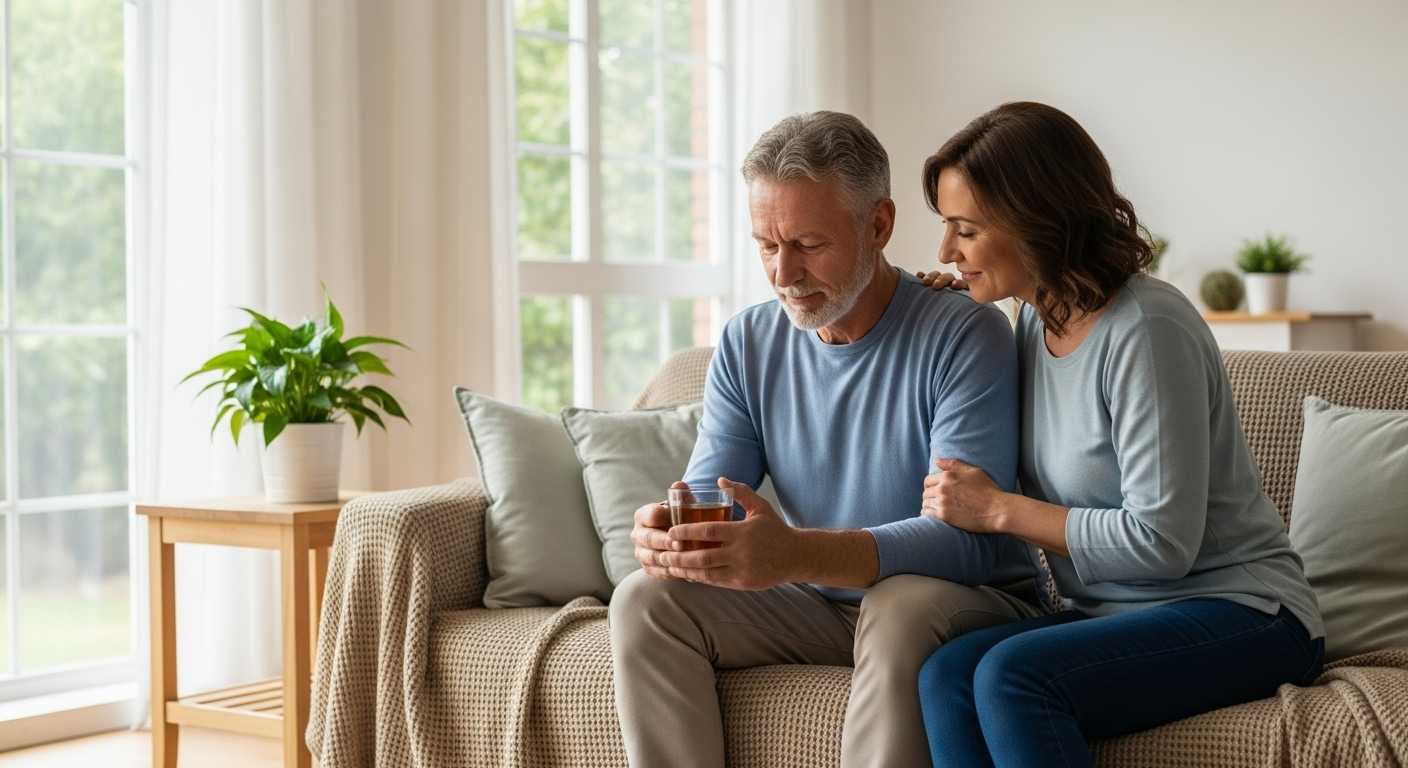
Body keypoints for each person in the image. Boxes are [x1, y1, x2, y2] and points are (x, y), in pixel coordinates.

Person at [609, 111, 1049, 768]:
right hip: (821, 605)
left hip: (956, 602)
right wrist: (674, 532)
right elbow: (710, 492)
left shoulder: (965, 334)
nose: (783, 273)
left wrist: (791, 555)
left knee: (899, 606)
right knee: (646, 600)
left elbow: (968, 545)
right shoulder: (747, 342)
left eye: (808, 245)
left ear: (878, 226)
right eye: (766, 245)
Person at [911, 102, 1325, 768]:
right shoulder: (1028, 323)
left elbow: (1162, 542)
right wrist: (936, 307)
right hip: (1115, 613)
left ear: (1037, 221)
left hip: (1245, 613)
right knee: (946, 676)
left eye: (965, 229)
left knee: (1013, 676)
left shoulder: (1146, 329)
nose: (945, 251)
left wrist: (997, 510)